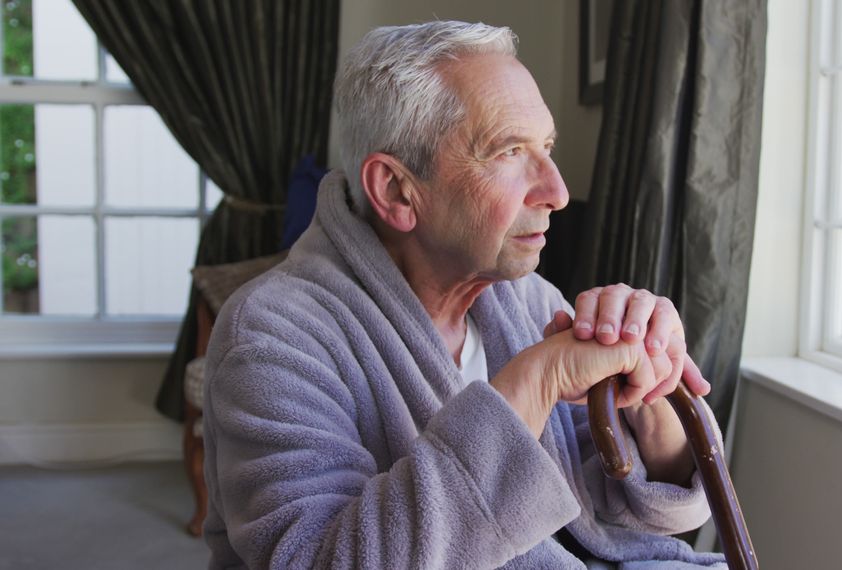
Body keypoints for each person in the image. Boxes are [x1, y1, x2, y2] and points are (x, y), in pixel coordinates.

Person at [201, 20, 727, 569]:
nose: (558, 191)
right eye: (507, 152)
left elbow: (623, 511)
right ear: (397, 190)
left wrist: (648, 392)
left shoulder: (525, 301)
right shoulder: (270, 337)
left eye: (546, 147)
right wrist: (536, 379)